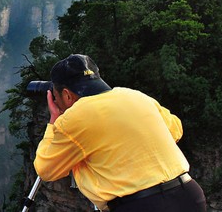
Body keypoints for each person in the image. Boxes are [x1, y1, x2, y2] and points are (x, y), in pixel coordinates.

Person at [34, 54, 207, 212]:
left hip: (140, 206)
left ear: (67, 95)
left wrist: (54, 121)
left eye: (56, 97)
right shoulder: (134, 95)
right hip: (189, 196)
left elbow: (46, 170)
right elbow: (176, 129)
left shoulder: (74, 117)